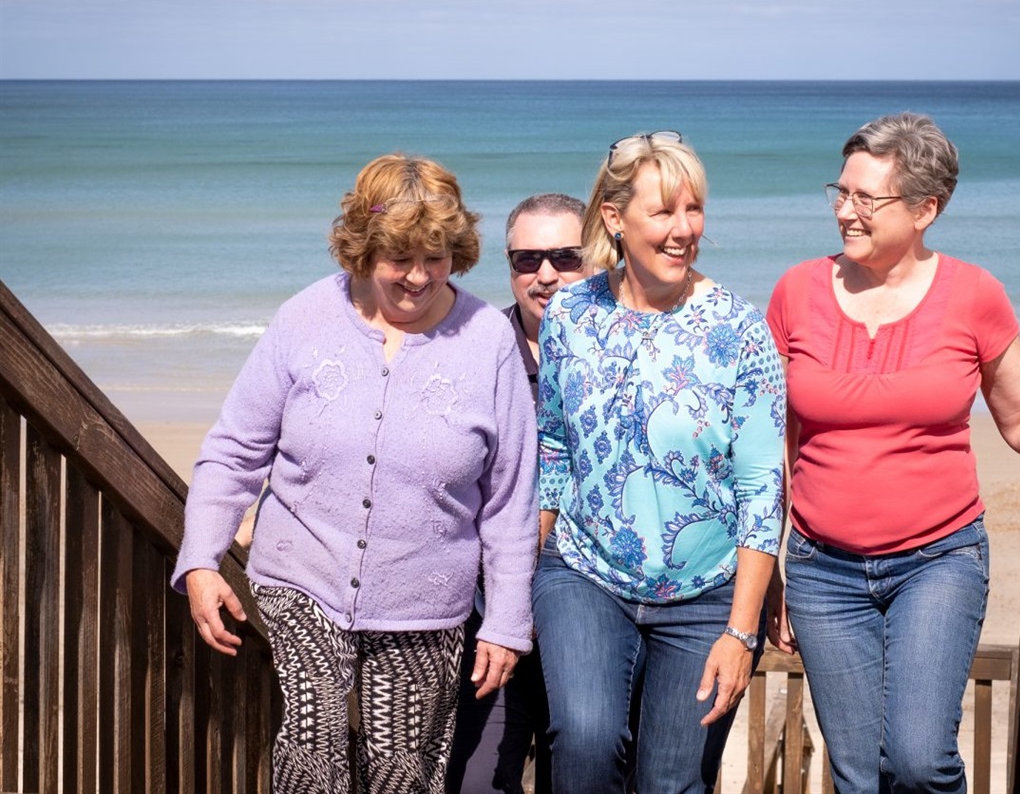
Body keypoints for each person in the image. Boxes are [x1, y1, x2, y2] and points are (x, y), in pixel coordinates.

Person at [171, 154, 538, 794]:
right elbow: (234, 451)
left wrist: (506, 621)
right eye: (400, 258)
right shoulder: (305, 317)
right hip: (302, 580)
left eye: (438, 256)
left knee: (404, 772)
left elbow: (509, 500)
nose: (419, 277)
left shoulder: (487, 340)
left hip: (426, 602)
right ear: (363, 250)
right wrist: (201, 560)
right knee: (312, 755)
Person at [765, 112, 1020, 792]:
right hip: (822, 568)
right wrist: (769, 566)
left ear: (926, 209)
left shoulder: (977, 295)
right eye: (841, 191)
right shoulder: (795, 291)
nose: (844, 211)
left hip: (939, 559)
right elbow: (770, 445)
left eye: (866, 198)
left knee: (918, 759)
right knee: (858, 774)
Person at [532, 131, 786, 793]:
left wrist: (740, 629)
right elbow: (553, 442)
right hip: (584, 576)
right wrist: (520, 563)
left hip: (706, 597)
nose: (684, 230)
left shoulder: (739, 329)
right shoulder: (569, 314)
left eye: (694, 209)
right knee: (584, 742)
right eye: (664, 212)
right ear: (615, 219)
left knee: (671, 783)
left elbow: (763, 488)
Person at [447, 192, 589, 794]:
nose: (546, 274)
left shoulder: (627, 352)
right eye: (527, 259)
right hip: (490, 620)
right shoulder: (476, 347)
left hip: (591, 622)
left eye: (565, 255)